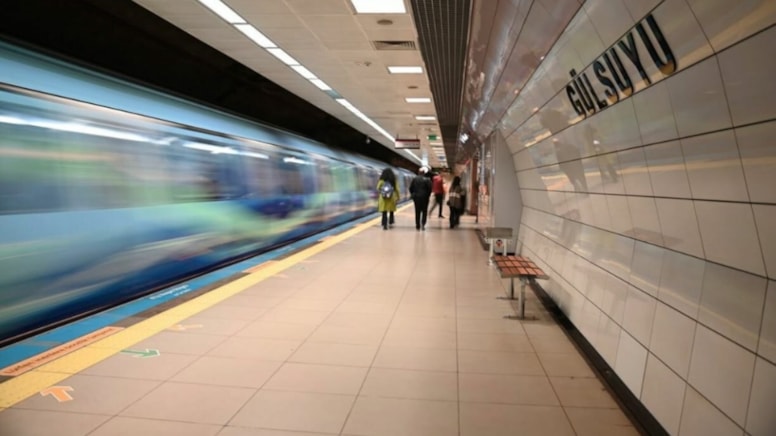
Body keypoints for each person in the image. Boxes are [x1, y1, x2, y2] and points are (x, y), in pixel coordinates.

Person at [409, 166, 432, 230]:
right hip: (425, 198)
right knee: (424, 211)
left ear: (418, 173)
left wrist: (413, 194)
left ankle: (417, 225)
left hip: (416, 198)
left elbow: (410, 188)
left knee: (417, 211)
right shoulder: (427, 180)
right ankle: (423, 224)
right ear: (424, 173)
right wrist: (428, 195)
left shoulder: (415, 179)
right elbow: (430, 189)